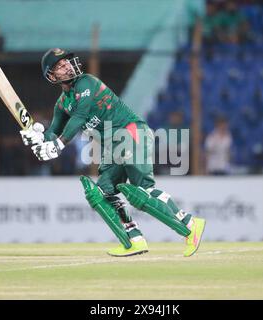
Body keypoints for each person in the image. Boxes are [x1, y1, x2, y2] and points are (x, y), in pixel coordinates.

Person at [20, 48, 206, 257]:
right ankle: (134, 239)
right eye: (60, 66)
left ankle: (190, 225)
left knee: (142, 191)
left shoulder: (86, 82)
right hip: (113, 146)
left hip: (131, 132)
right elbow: (52, 132)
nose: (67, 66)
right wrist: (37, 136)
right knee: (102, 192)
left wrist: (60, 143)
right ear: (52, 76)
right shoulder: (62, 104)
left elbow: (80, 117)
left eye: (67, 62)